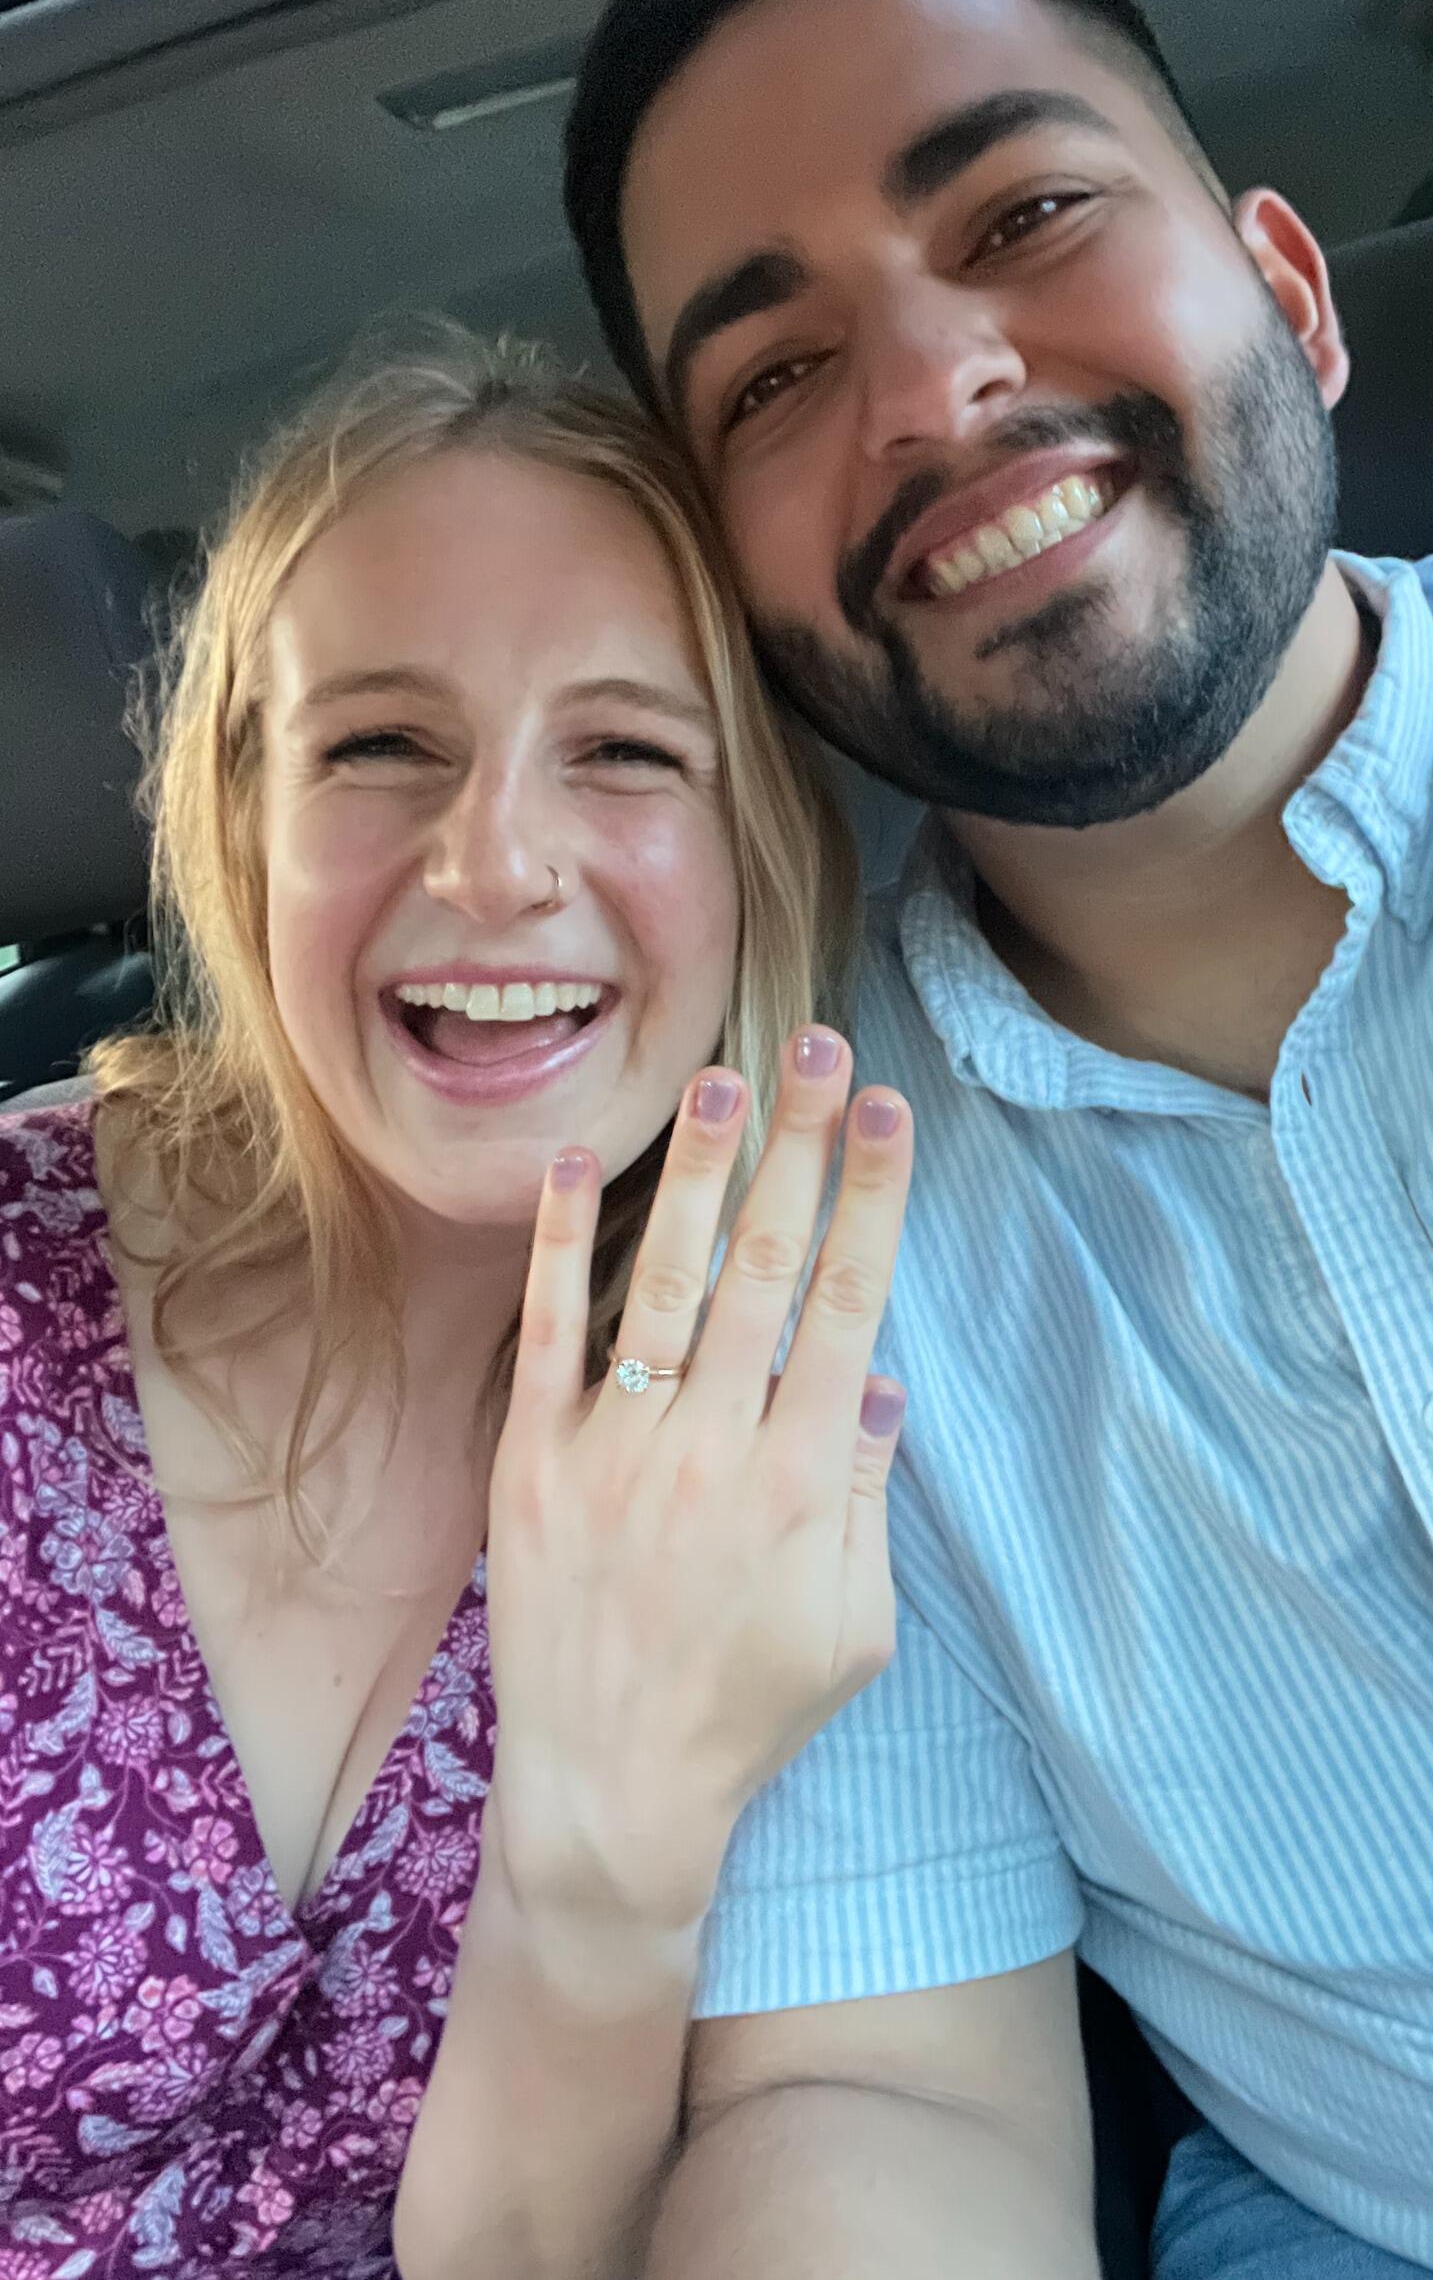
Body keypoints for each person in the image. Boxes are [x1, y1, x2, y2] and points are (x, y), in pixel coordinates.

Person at [558, 0, 1433, 2280]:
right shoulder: (789, 1270)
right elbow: (882, 2084)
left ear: (1286, 290)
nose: (930, 387)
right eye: (770, 377)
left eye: (1022, 211)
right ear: (735, 594)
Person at [0, 330, 917, 2278]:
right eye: (380, 746)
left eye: (626, 749)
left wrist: (602, 1865)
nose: (495, 863)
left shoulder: (795, 1452)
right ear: (241, 818)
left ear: (757, 837)